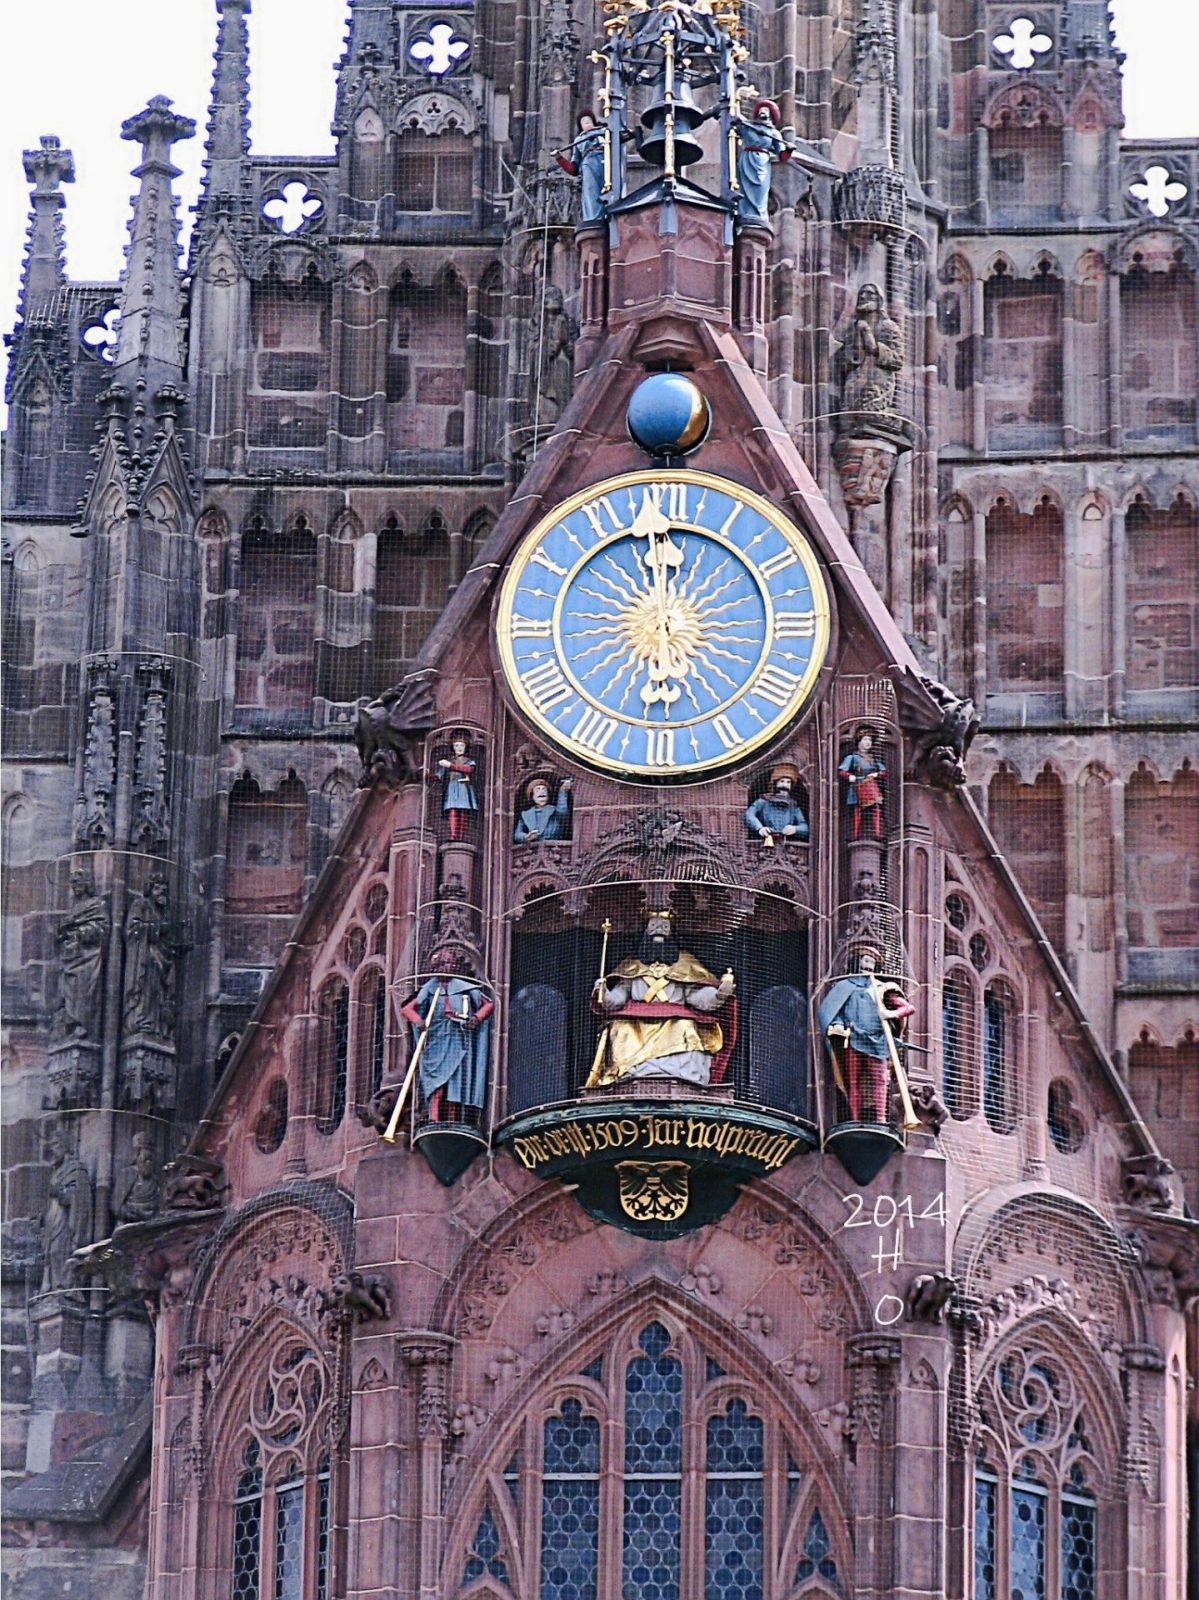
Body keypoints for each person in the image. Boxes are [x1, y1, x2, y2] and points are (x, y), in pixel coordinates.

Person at [587, 910, 735, 1088]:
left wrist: (718, 995)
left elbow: (696, 995)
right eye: (654, 926)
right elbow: (618, 997)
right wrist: (604, 992)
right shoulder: (631, 966)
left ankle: (681, 1076)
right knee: (620, 1027)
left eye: (665, 926)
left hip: (676, 1018)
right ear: (645, 932)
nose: (660, 930)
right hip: (634, 1020)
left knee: (685, 1027)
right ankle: (630, 1074)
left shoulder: (686, 964)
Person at [817, 946, 914, 1123]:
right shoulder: (845, 986)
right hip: (853, 1039)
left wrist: (891, 1014)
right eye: (866, 960)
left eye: (872, 961)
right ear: (858, 962)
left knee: (880, 1080)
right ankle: (854, 1118)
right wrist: (838, 1023)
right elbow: (834, 1011)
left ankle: (880, 1119)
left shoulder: (882, 988)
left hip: (877, 1040)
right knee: (852, 1082)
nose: (869, 964)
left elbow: (907, 1007)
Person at [401, 945, 494, 1124]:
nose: (447, 967)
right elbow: (407, 1009)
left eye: (450, 963)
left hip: (457, 1038)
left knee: (455, 1083)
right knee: (436, 1084)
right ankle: (434, 1118)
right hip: (436, 1039)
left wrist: (476, 1018)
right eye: (443, 964)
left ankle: (452, 1121)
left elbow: (488, 1004)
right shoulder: (429, 988)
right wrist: (419, 1021)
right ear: (435, 968)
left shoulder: (464, 987)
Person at [53, 869, 109, 1042]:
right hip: (71, 956)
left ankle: (83, 1026)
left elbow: (102, 928)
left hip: (88, 957)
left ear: (87, 884)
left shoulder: (97, 904)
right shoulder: (73, 909)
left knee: (84, 990)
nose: (74, 886)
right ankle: (69, 1026)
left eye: (77, 881)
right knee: (68, 991)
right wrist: (62, 932)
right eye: (72, 883)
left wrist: (80, 931)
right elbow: (61, 934)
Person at [834, 283, 904, 416]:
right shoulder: (852, 330)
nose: (864, 297)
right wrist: (854, 352)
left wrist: (875, 348)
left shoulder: (888, 327)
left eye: (869, 293)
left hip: (879, 382)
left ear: (879, 300)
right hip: (855, 382)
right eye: (861, 294)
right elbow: (842, 363)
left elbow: (898, 359)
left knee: (872, 410)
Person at [40, 1127, 93, 1292]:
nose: (52, 1150)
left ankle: (63, 1289)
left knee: (58, 1252)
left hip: (66, 1224)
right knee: (50, 1254)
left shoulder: (76, 1170)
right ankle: (54, 1291)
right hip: (53, 1222)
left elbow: (79, 1198)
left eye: (56, 1145)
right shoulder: (56, 1172)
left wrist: (60, 1193)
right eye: (51, 1146)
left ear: (65, 1146)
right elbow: (51, 1202)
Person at [733, 99, 791, 221]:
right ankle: (744, 214)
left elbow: (782, 156)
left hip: (762, 163)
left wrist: (789, 150)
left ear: (770, 114)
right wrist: (735, 116)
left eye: (766, 109)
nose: (762, 111)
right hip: (746, 159)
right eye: (761, 109)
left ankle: (758, 217)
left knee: (760, 190)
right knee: (743, 189)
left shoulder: (774, 133)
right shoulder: (749, 127)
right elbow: (734, 124)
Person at [556, 112, 607, 223]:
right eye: (583, 121)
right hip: (588, 166)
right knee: (591, 193)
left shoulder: (603, 132)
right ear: (581, 126)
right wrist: (559, 158)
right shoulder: (579, 140)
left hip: (605, 162)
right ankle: (594, 219)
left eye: (588, 120)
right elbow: (574, 169)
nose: (586, 122)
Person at [839, 726, 887, 840]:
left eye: (870, 740)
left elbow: (884, 772)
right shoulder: (852, 757)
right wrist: (850, 776)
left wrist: (875, 774)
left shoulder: (874, 759)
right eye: (865, 739)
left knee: (876, 807)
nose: (868, 742)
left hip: (870, 784)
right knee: (857, 810)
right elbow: (841, 771)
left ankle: (877, 833)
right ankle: (854, 835)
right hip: (858, 785)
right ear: (859, 741)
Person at [744, 764, 809, 846]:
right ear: (775, 783)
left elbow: (805, 828)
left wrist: (795, 829)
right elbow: (749, 814)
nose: (785, 785)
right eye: (782, 781)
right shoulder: (764, 801)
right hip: (764, 842)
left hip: (785, 845)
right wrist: (760, 828)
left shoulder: (793, 806)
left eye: (788, 782)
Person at [435, 732, 477, 842]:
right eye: (457, 745)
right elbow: (439, 776)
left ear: (465, 747)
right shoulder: (449, 761)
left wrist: (450, 766)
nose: (459, 748)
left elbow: (469, 770)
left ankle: (461, 837)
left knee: (463, 812)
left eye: (462, 745)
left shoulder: (468, 761)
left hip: (463, 787)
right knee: (452, 810)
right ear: (453, 747)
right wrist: (427, 774)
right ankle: (453, 835)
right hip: (452, 788)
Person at [513, 775, 573, 843]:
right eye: (538, 789)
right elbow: (517, 834)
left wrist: (563, 792)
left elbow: (563, 811)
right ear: (532, 796)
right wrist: (526, 837)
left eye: (544, 789)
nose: (542, 792)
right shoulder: (526, 814)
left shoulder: (554, 810)